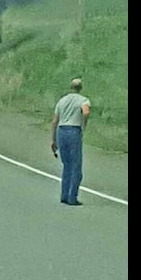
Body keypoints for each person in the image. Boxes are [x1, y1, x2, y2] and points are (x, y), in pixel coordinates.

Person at [50, 77, 91, 206]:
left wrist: (53, 139)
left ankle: (64, 194)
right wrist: (84, 125)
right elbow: (86, 112)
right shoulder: (83, 100)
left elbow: (54, 121)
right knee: (76, 166)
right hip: (74, 130)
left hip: (61, 131)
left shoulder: (62, 101)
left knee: (66, 165)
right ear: (80, 88)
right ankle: (72, 197)